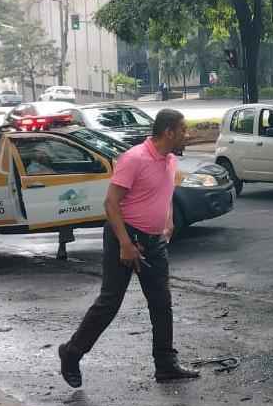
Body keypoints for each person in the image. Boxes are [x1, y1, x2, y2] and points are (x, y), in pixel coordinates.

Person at [58, 109, 197, 388]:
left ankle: (166, 364)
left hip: (154, 240)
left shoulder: (169, 159)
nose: (188, 135)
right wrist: (124, 243)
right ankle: (71, 353)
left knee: (161, 302)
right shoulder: (134, 158)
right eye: (184, 130)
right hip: (125, 236)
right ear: (169, 132)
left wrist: (167, 223)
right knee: (110, 302)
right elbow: (111, 203)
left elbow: (164, 194)